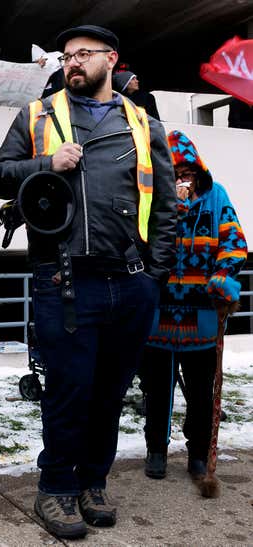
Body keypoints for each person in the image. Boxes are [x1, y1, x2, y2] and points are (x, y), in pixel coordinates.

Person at [0, 24, 177, 539]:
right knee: (69, 392)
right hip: (64, 281)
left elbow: (165, 205)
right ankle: (56, 489)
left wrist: (155, 275)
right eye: (66, 56)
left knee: (111, 392)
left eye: (83, 55)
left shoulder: (143, 122)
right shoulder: (36, 115)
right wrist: (47, 163)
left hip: (130, 283)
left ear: (110, 59)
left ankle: (93, 482)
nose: (72, 63)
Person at [141, 130, 247, 481]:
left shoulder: (216, 197)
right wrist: (173, 207)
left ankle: (198, 452)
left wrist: (223, 277)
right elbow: (138, 246)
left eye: (187, 172)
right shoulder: (151, 199)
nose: (181, 179)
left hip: (202, 311)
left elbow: (234, 243)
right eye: (174, 173)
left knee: (201, 389)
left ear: (198, 171)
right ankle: (156, 448)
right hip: (159, 310)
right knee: (156, 387)